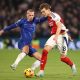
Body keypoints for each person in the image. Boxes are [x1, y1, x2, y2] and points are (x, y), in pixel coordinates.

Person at [36, 3, 77, 77]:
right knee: (45, 51)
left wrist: (58, 36)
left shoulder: (54, 16)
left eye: (44, 11)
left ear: (48, 10)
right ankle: (41, 71)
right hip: (56, 35)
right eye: (41, 12)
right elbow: (63, 26)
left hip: (62, 37)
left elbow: (59, 26)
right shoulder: (48, 17)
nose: (42, 13)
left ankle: (73, 65)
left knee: (63, 58)